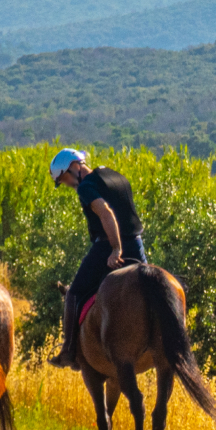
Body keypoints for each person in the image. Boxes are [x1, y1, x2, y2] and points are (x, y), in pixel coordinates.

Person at [48, 148, 147, 370]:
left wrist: (115, 249)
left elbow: (106, 213)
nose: (66, 184)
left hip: (107, 246)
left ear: (73, 167)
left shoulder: (86, 186)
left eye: (63, 179)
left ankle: (69, 351)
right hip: (137, 243)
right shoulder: (114, 175)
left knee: (74, 293)